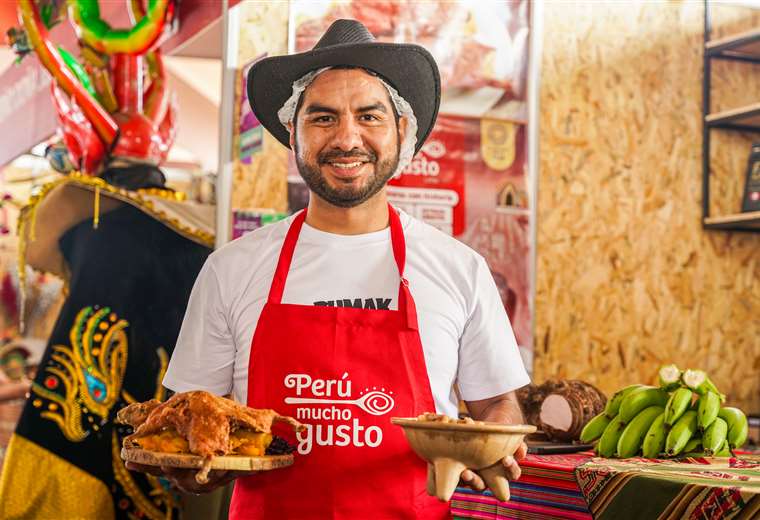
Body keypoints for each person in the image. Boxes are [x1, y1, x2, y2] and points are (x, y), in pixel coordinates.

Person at [145, 19, 530, 519]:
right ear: (293, 132)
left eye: (369, 116)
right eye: (323, 118)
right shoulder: (232, 270)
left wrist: (491, 449)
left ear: (401, 130)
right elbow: (188, 420)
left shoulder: (459, 269)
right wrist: (196, 466)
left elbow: (498, 407)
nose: (347, 139)